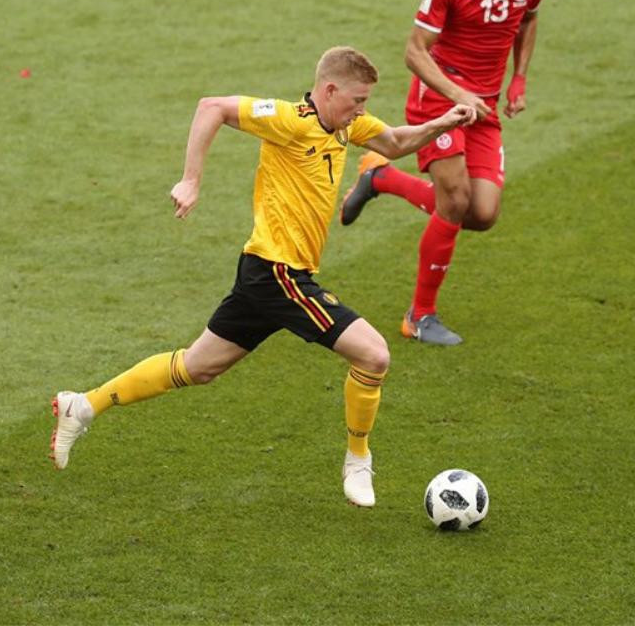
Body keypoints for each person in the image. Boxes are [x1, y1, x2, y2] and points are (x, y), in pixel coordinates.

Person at [50, 47, 475, 507]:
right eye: (357, 100)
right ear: (329, 90)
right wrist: (191, 180)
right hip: (280, 276)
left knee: (198, 366)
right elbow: (211, 107)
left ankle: (82, 405)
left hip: (264, 275)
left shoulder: (347, 126)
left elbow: (393, 142)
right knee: (374, 356)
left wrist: (443, 124)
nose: (362, 109)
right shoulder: (289, 121)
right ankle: (358, 460)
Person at [339, 0, 551, 346]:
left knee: (481, 213)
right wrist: (458, 95)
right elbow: (415, 52)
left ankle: (381, 179)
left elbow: (529, 18)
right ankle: (420, 315)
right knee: (453, 200)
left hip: (484, 104)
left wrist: (519, 78)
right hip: (440, 95)